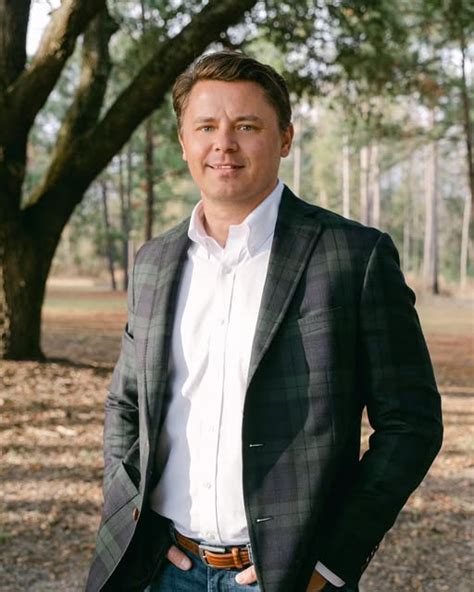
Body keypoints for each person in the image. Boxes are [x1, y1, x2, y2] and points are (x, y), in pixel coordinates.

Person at [86, 51, 443, 592]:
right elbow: (126, 403)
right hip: (162, 569)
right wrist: (130, 508)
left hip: (286, 577)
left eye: (246, 126)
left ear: (285, 139)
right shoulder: (153, 262)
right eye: (206, 126)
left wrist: (330, 562)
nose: (224, 144)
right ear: (183, 141)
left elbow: (411, 425)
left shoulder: (352, 257)